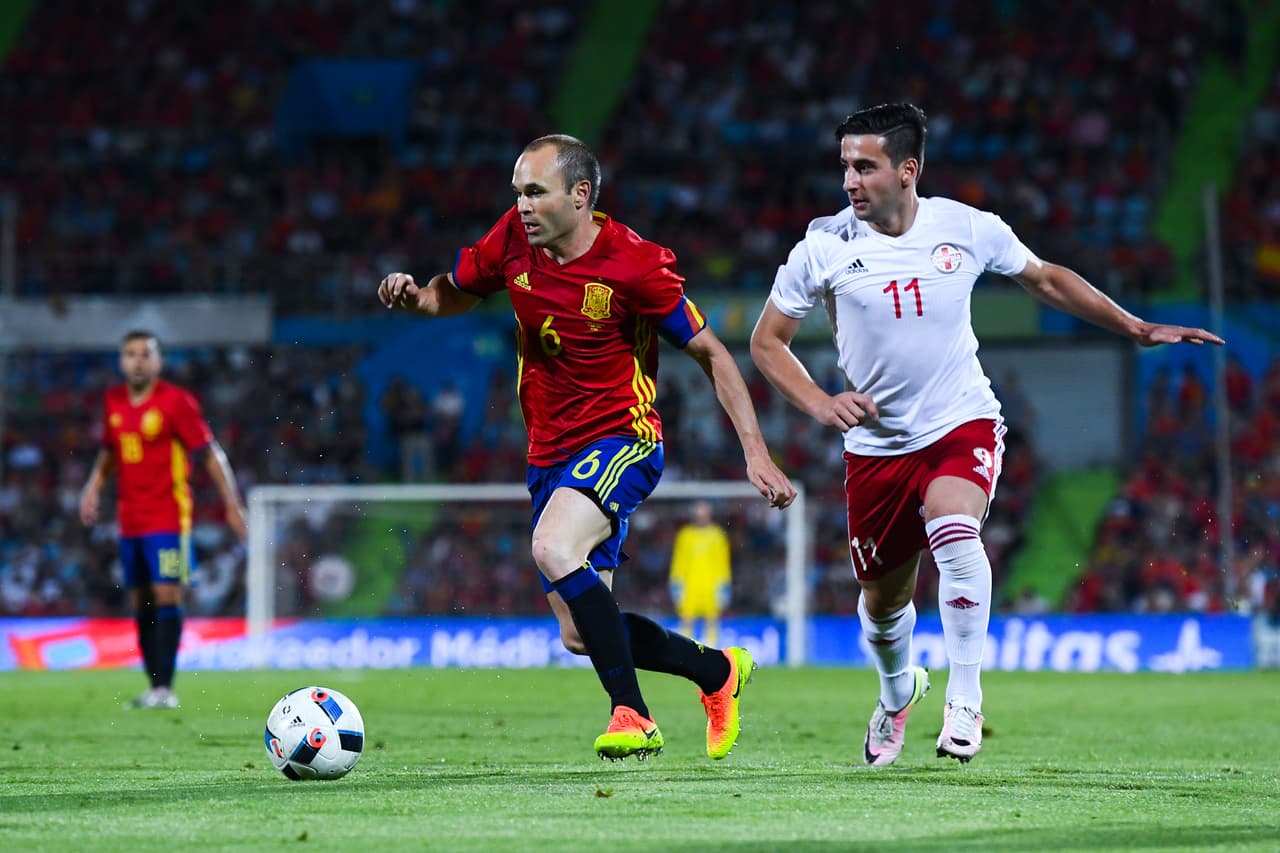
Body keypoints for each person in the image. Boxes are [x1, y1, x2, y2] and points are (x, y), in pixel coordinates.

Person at [749, 103, 1223, 766]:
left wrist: (1137, 328)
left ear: (907, 169)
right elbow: (767, 342)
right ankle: (896, 693)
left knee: (953, 527)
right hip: (877, 449)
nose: (850, 180)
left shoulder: (967, 228)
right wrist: (820, 402)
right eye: (845, 167)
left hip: (959, 419)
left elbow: (1046, 279)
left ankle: (965, 698)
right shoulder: (823, 245)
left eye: (865, 166)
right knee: (883, 607)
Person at [379, 134, 796, 761]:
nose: (521, 205)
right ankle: (717, 673)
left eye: (535, 192)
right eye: (517, 192)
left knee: (551, 545)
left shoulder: (636, 264)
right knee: (580, 634)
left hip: (623, 438)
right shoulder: (513, 241)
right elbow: (455, 290)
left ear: (580, 195)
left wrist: (755, 453)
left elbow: (711, 353)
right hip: (549, 453)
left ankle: (632, 715)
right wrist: (417, 300)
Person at [79, 331, 248, 709]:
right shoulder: (114, 401)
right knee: (141, 600)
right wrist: (92, 486)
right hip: (130, 520)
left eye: (146, 354)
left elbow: (209, 454)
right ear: (122, 361)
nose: (138, 360)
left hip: (169, 518)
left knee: (167, 592)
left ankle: (166, 689)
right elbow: (110, 450)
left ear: (158, 362)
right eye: (131, 354)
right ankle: (154, 686)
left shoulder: (176, 402)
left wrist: (232, 505)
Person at [669, 500, 732, 646]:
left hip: (711, 586)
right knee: (686, 620)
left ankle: (711, 652)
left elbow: (723, 562)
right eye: (698, 514)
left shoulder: (717, 535)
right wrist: (676, 583)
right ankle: (685, 651)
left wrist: (724, 585)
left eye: (703, 514)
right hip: (689, 586)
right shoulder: (685, 535)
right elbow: (678, 561)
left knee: (712, 621)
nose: (701, 517)